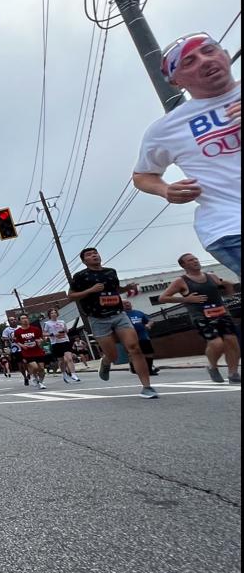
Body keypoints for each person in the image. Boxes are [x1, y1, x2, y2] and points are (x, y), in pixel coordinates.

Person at [133, 33, 241, 276]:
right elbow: (142, 175)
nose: (204, 60)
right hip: (230, 226)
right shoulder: (165, 129)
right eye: (189, 61)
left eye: (209, 51)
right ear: (175, 81)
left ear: (224, 54)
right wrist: (165, 190)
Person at [67, 248, 158, 398]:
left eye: (95, 253)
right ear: (84, 261)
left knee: (134, 348)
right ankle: (106, 361)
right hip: (98, 318)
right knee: (113, 356)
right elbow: (71, 296)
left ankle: (147, 387)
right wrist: (91, 290)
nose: (94, 255)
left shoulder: (110, 272)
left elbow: (115, 288)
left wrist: (126, 288)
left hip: (118, 314)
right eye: (89, 255)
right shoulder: (80, 276)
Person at [159, 253, 240, 383]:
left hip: (222, 313)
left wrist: (229, 292)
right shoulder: (181, 281)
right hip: (201, 315)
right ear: (183, 265)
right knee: (217, 343)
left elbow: (227, 289)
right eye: (191, 260)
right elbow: (162, 298)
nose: (195, 261)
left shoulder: (211, 277)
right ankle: (212, 366)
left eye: (196, 259)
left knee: (232, 341)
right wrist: (186, 299)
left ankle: (233, 373)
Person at [43, 308, 81, 383]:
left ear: (57, 314)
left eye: (55, 313)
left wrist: (65, 330)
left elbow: (67, 331)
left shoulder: (62, 321)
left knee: (69, 358)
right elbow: (44, 333)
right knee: (61, 361)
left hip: (65, 341)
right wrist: (53, 334)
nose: (54, 314)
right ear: (49, 315)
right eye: (52, 313)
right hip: (55, 343)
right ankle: (64, 374)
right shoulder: (47, 323)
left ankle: (73, 374)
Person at [122, 301, 160, 377]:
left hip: (143, 336)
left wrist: (148, 325)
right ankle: (133, 367)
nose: (127, 304)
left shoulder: (139, 313)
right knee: (134, 353)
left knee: (149, 353)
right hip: (129, 337)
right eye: (124, 303)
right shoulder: (121, 315)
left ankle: (149, 370)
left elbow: (150, 321)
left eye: (128, 303)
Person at [13, 314, 48, 390]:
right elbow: (16, 341)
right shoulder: (18, 331)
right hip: (27, 352)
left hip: (37, 351)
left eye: (26, 318)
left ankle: (40, 382)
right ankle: (33, 376)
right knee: (35, 367)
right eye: (22, 318)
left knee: (41, 368)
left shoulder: (35, 329)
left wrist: (40, 341)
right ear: (20, 321)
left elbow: (41, 338)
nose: (25, 320)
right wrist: (22, 345)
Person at [3, 316, 27, 385]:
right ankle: (25, 377)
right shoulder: (7, 330)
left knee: (26, 362)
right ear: (9, 322)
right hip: (15, 349)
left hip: (24, 346)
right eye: (11, 320)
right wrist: (10, 338)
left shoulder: (20, 327)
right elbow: (3, 338)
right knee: (20, 364)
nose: (13, 321)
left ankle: (28, 372)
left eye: (14, 319)